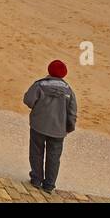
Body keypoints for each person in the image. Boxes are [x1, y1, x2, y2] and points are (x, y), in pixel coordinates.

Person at [23, 60, 78, 194]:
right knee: (54, 157)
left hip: (38, 125)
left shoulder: (40, 85)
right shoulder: (68, 90)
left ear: (49, 71)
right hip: (58, 130)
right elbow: (72, 112)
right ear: (64, 74)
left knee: (36, 152)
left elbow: (28, 100)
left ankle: (36, 179)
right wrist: (69, 127)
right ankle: (49, 184)